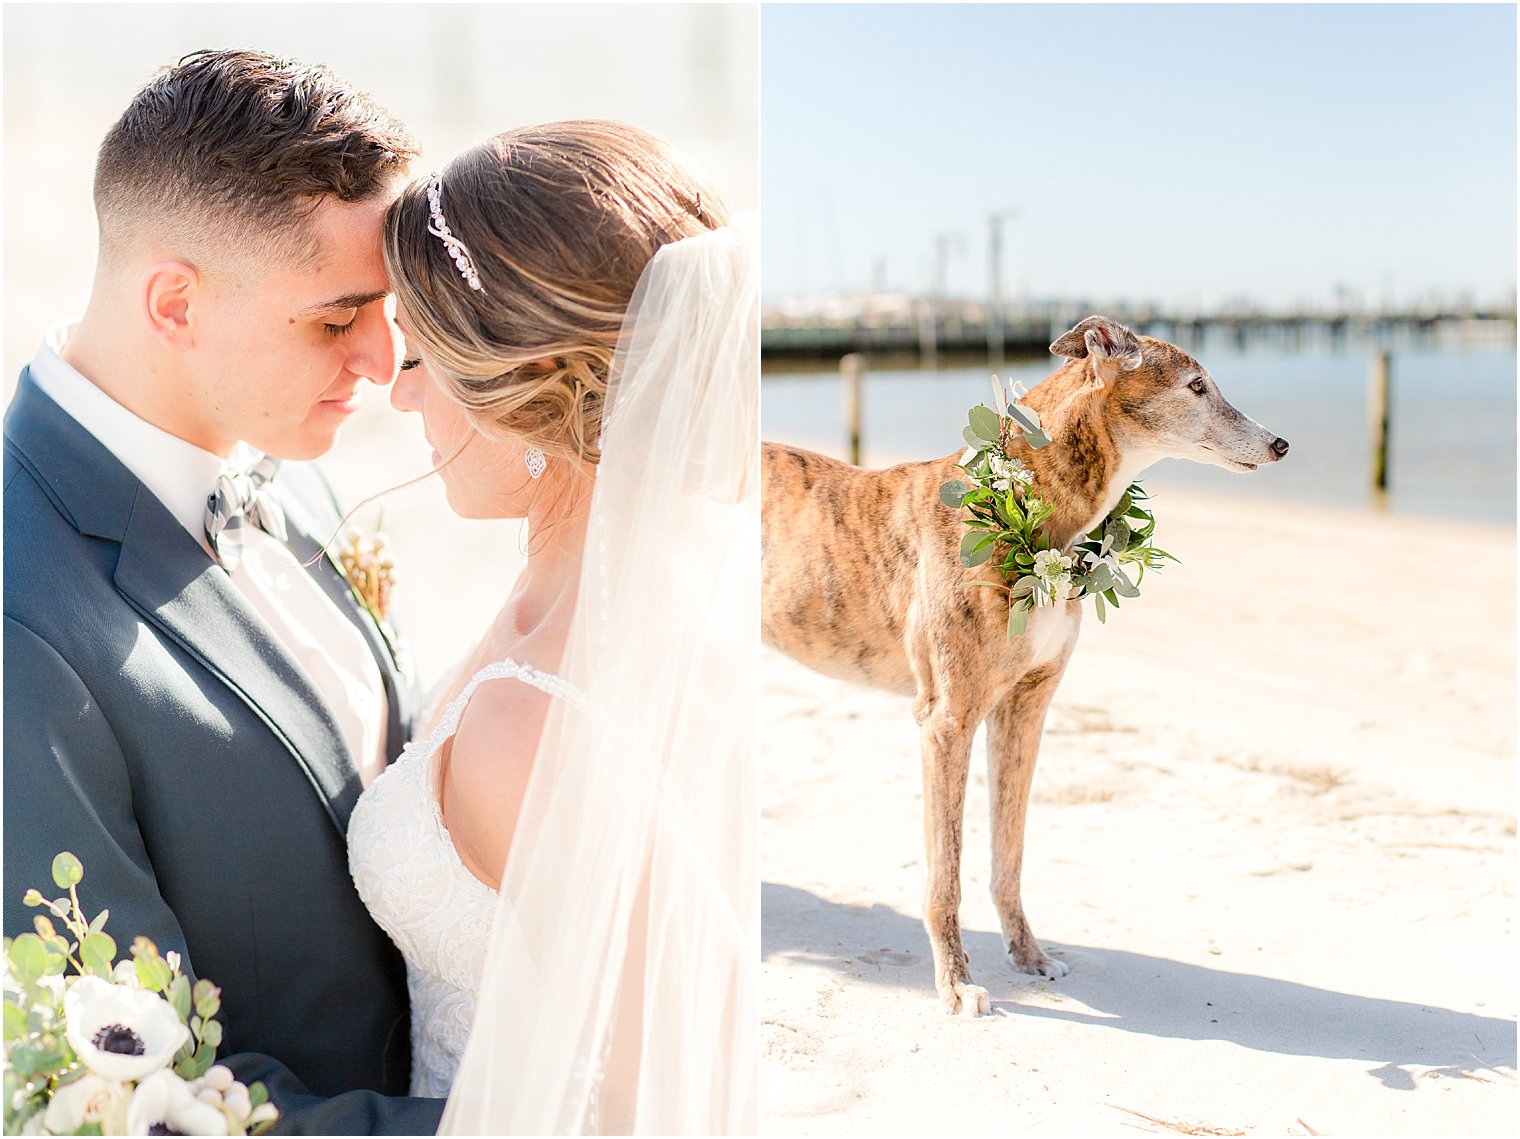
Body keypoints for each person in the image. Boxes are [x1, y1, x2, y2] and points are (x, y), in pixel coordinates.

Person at [3, 49, 447, 1133]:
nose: (386, 361)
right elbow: (118, 1088)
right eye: (337, 318)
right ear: (173, 302)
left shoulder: (299, 481)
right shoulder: (22, 616)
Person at [347, 121, 758, 1133]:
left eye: (418, 352)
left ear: (517, 393)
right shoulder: (639, 597)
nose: (398, 392)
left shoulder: (529, 725)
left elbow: (688, 1083)